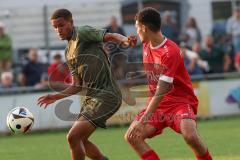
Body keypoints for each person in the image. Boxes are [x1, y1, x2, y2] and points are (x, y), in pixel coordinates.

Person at [37, 8, 137, 160]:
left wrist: (124, 40)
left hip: (107, 94)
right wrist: (55, 97)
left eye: (61, 25)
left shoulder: (82, 32)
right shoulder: (68, 51)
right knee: (80, 140)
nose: (59, 30)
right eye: (55, 27)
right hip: (91, 98)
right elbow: (77, 85)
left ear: (71, 22)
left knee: (73, 137)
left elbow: (109, 35)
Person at [124, 7, 212, 160]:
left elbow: (161, 91)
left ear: (144, 28)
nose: (137, 32)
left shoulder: (169, 52)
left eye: (137, 28)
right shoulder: (146, 43)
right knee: (132, 136)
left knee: (190, 135)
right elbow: (133, 39)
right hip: (158, 105)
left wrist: (144, 119)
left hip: (179, 102)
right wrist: (125, 40)